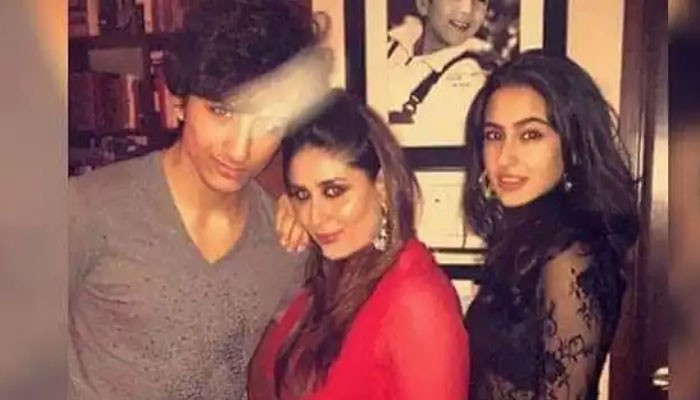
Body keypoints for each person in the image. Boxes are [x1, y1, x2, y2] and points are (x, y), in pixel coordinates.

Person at [68, 1, 331, 398]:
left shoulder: (286, 240)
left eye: (267, 123)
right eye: (222, 112)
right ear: (179, 102)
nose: (239, 149)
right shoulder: (88, 209)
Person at [247, 90, 468, 399]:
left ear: (381, 188)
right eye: (302, 195)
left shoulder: (416, 302)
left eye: (334, 191)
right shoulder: (332, 276)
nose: (315, 217)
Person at [461, 50, 640, 400]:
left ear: (573, 144)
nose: (505, 158)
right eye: (494, 135)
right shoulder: (530, 239)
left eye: (530, 135)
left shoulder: (570, 255)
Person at [387, 0, 490, 146]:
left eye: (480, 0)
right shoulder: (388, 45)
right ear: (423, 4)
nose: (467, 9)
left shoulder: (470, 80)